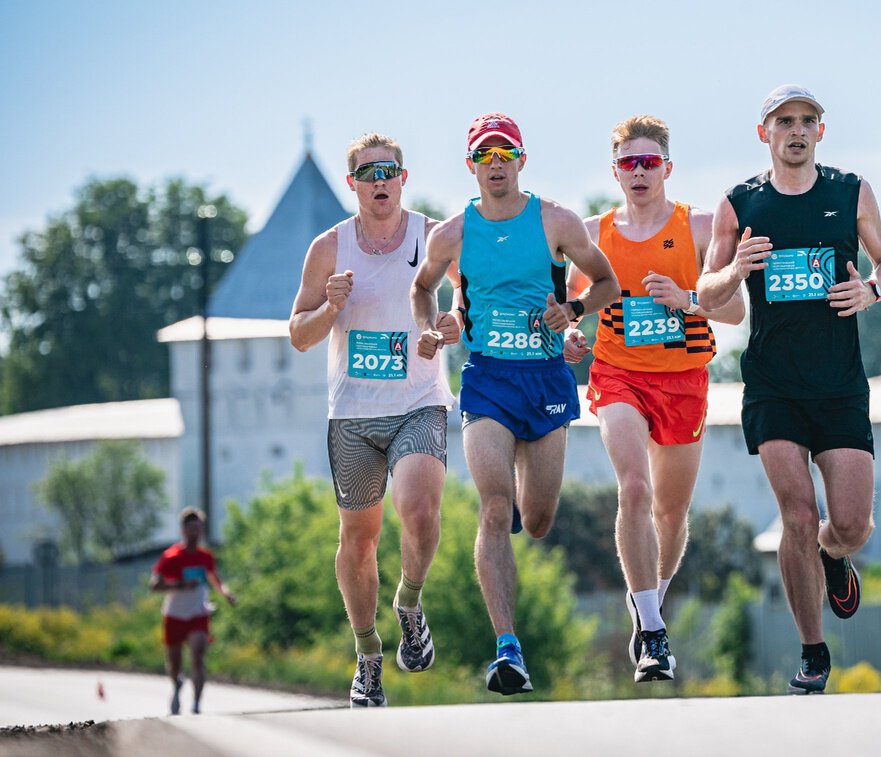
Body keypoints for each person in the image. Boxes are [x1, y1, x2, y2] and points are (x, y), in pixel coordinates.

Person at [696, 85, 881, 695]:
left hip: (839, 386)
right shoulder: (740, 203)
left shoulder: (850, 191)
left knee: (852, 524)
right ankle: (813, 650)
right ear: (765, 132)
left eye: (808, 121)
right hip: (772, 385)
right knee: (797, 512)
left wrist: (871, 290)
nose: (797, 130)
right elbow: (707, 294)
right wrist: (736, 269)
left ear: (821, 131)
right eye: (785, 121)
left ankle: (833, 557)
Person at [411, 112, 618, 695]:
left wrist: (572, 313)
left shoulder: (555, 220)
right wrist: (431, 328)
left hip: (548, 380)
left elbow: (607, 284)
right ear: (472, 165)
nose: (495, 164)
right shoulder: (451, 234)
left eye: (505, 154)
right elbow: (423, 287)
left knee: (540, 518)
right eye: (485, 155)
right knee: (495, 509)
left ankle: (523, 509)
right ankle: (508, 650)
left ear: (522, 161)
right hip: (488, 381)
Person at [563, 115, 744, 683]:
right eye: (628, 163)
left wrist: (689, 298)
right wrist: (569, 334)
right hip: (618, 375)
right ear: (614, 170)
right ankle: (655, 634)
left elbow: (736, 310)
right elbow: (571, 301)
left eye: (649, 162)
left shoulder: (699, 227)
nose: (639, 173)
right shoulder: (593, 232)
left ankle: (650, 604)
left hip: (684, 379)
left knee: (670, 510)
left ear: (668, 167)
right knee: (634, 488)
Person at [289, 132, 456, 708]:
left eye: (389, 171)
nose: (379, 180)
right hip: (354, 416)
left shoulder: (433, 235)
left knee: (419, 508)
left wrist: (452, 325)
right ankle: (367, 658)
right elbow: (299, 337)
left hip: (419, 402)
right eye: (368, 172)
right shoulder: (328, 248)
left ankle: (409, 604)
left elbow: (469, 301)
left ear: (403, 178)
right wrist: (331, 306)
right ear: (352, 183)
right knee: (358, 541)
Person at [150, 506, 237, 715]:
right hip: (174, 615)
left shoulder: (205, 557)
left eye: (198, 528)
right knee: (174, 663)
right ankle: (176, 684)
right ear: (183, 530)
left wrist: (226, 594)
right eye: (191, 528)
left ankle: (196, 705)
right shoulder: (171, 557)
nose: (195, 533)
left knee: (198, 656)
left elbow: (216, 580)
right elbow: (154, 585)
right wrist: (179, 586)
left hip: (198, 613)